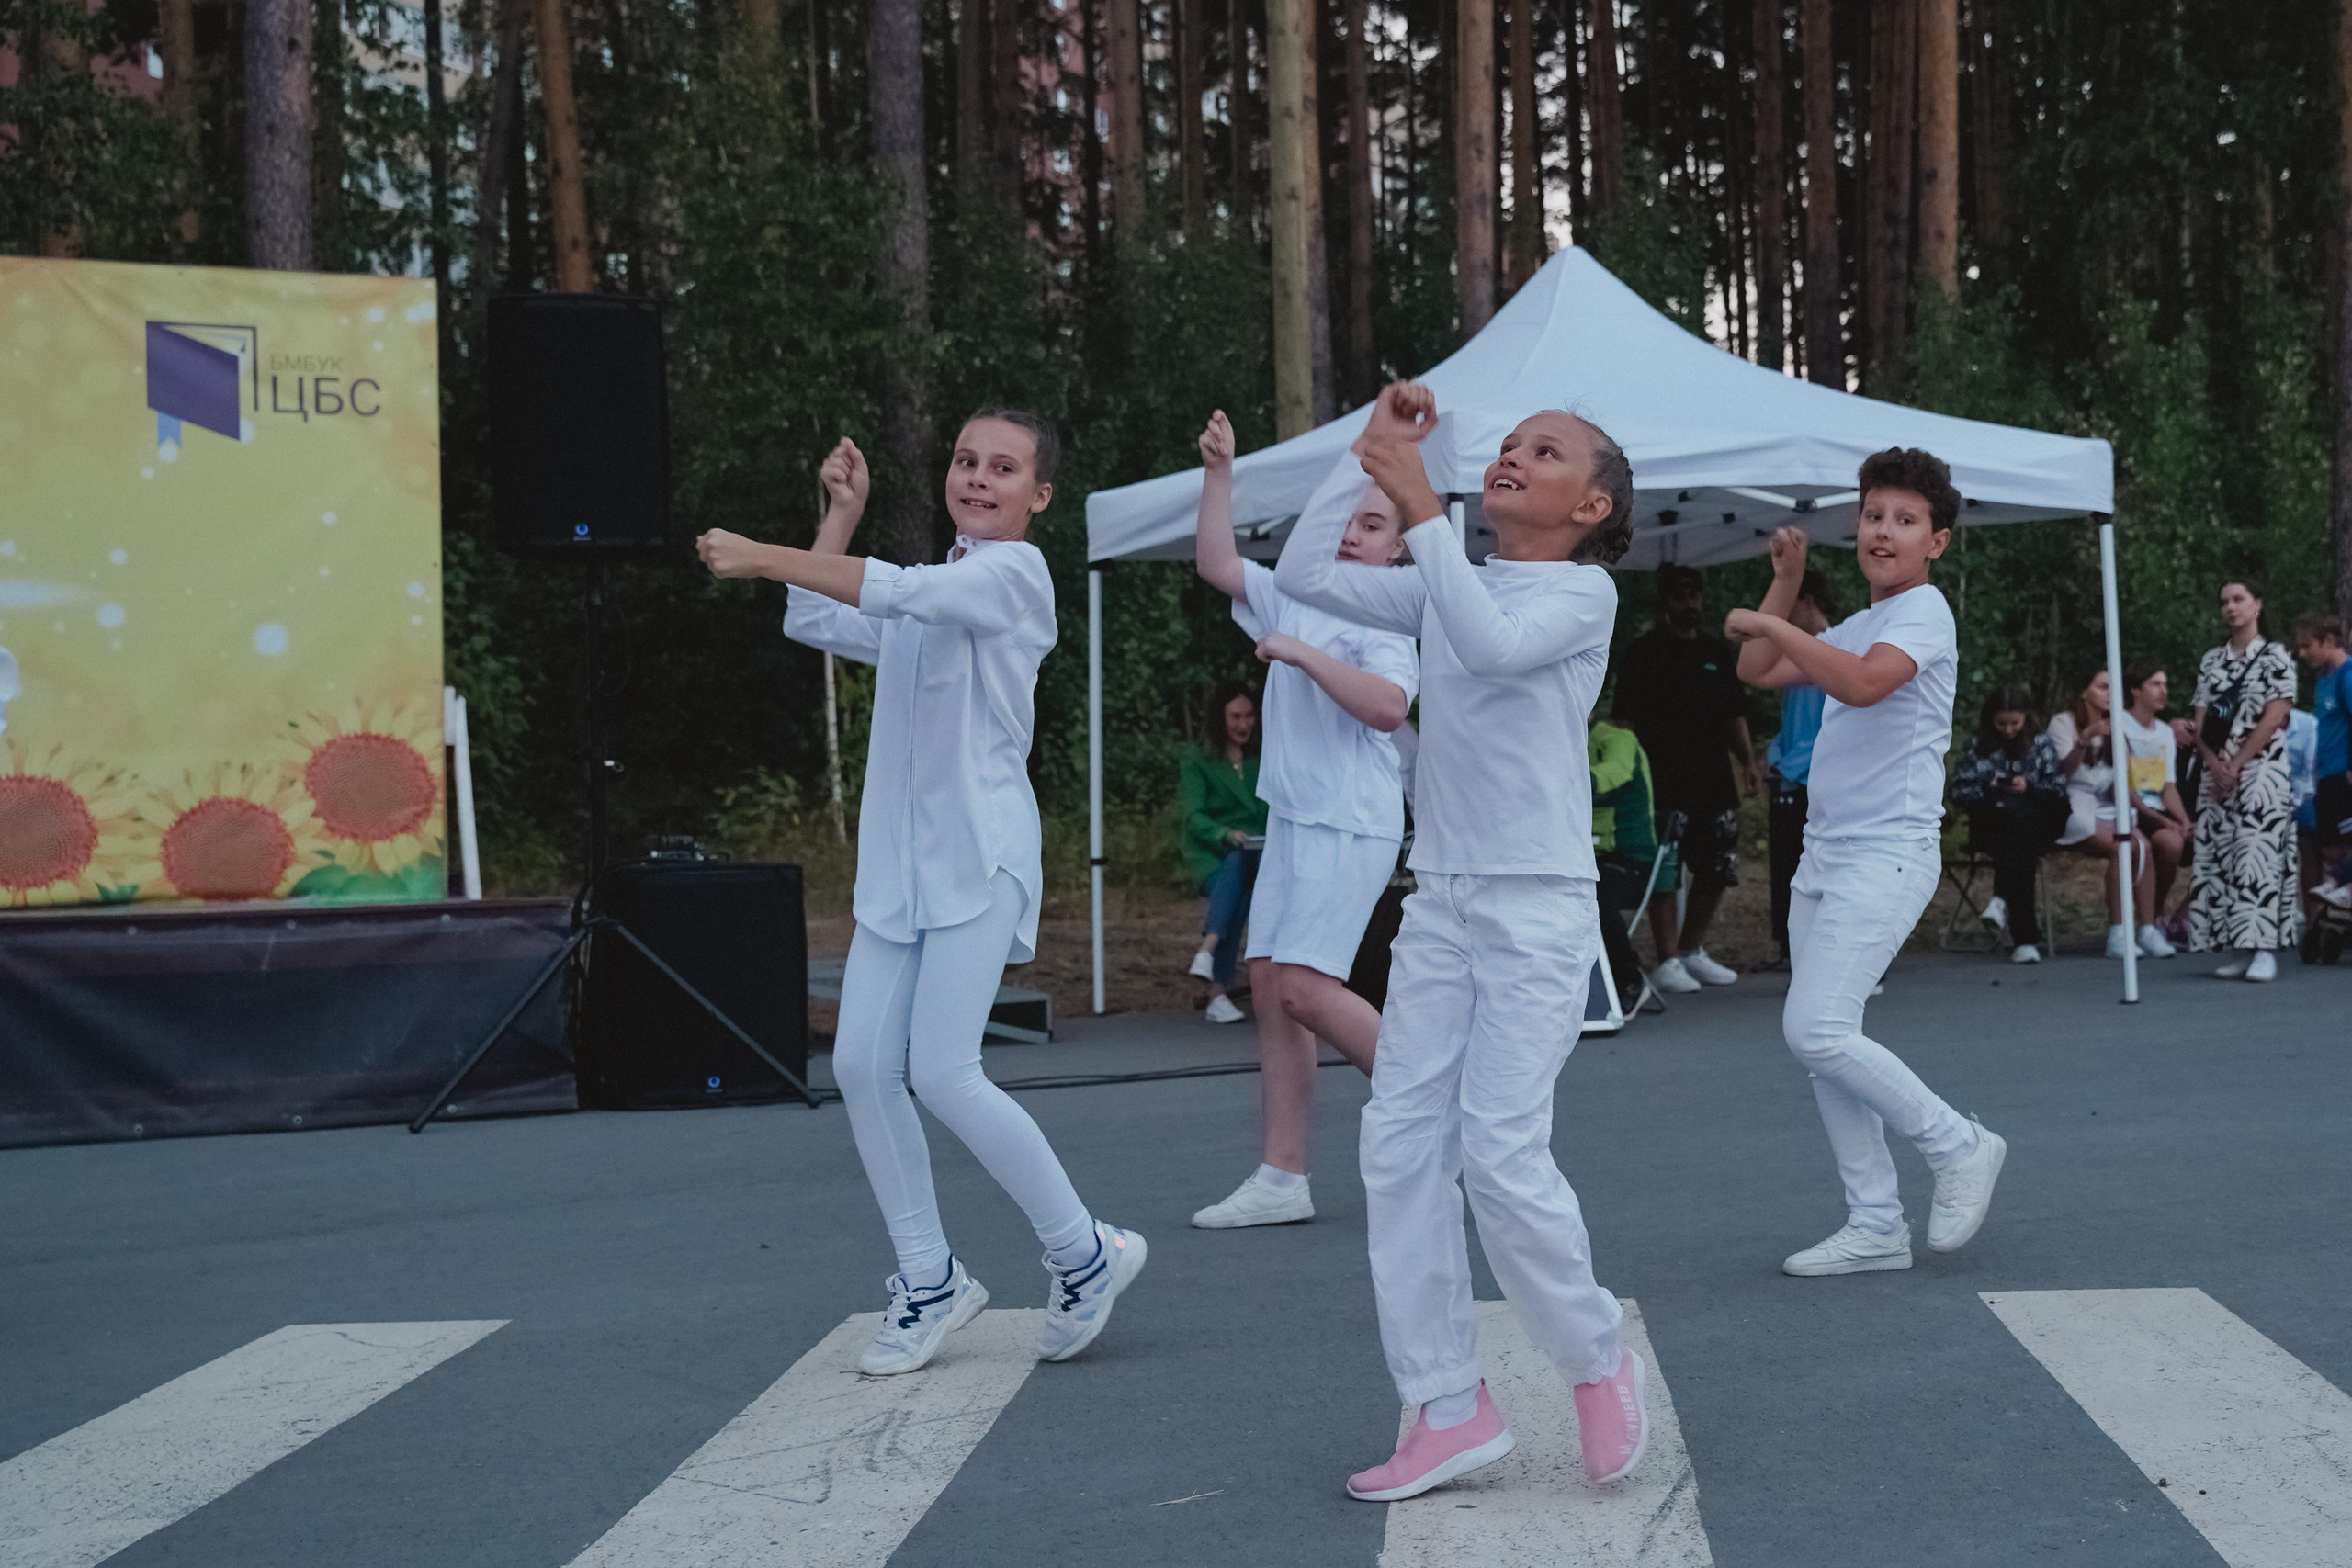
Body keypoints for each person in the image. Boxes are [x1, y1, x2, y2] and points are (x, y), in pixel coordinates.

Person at [695, 417, 1146, 1377]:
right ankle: (929, 1279)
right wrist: (839, 515)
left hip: (980, 858)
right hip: (899, 875)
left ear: (1040, 496)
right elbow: (815, 617)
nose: (978, 479)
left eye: (1004, 468)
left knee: (943, 1071)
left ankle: (1082, 1252)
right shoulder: (933, 582)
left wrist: (759, 552)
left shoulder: (1012, 576)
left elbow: (891, 590)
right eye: (966, 462)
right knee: (861, 1066)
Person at [1279, 382, 1650, 1499]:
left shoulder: (1580, 597)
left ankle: (1593, 1360)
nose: (1510, 456)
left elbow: (1488, 651)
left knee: (1497, 1151)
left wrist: (1420, 510)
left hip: (1537, 906)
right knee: (1397, 1148)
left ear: (1590, 506)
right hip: (1439, 898)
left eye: (1546, 452)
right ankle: (1448, 1403)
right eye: (1507, 444)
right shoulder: (1452, 576)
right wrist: (1371, 457)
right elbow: (1300, 580)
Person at [1726, 448, 2007, 1280]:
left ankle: (1959, 1143)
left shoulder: (1923, 613)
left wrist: (1777, 624)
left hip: (1888, 855)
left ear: (1937, 542)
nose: (1884, 530)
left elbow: (1856, 685)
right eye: (1874, 515)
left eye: (1905, 519)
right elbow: (1757, 670)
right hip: (1825, 859)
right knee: (1825, 1041)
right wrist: (1786, 583)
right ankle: (1876, 1221)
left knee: (1814, 1027)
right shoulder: (1857, 623)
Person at [1187, 408, 1419, 1227]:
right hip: (1295, 817)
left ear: (1398, 546)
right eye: (1347, 519)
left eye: (1374, 522)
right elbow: (1216, 560)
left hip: (1351, 819)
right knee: (1273, 986)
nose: (1354, 534)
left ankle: (1448, 1125)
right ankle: (1282, 1176)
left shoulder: (1387, 610)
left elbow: (1391, 707)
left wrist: (1306, 656)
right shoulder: (1294, 590)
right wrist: (1222, 472)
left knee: (1311, 989)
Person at [1611, 563, 1757, 993]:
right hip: (1661, 782)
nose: (1689, 605)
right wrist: (1628, 780)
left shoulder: (1716, 652)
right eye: (1680, 597)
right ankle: (1668, 958)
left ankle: (1692, 949)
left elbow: (1735, 714)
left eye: (1694, 597)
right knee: (1665, 870)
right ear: (1664, 603)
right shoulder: (1643, 654)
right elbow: (1623, 724)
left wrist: (1747, 762)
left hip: (1714, 779)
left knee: (1717, 868)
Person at [2188, 580, 2300, 981]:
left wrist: (2236, 763)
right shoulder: (2211, 660)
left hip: (2261, 771)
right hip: (2216, 771)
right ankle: (2238, 946)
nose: (2231, 608)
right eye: (2225, 602)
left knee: (2259, 853)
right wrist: (2214, 763)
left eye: (2238, 600)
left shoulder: (2276, 657)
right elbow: (2201, 719)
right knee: (2224, 855)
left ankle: (2265, 947)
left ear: (2257, 605)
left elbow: (2275, 715)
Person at [2046, 671, 2172, 960]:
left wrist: (2156, 818)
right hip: (2075, 804)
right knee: (2123, 848)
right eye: (2103, 687)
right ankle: (2118, 932)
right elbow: (2064, 770)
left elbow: (2122, 781)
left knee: (2145, 848)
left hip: (2108, 803)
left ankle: (2148, 929)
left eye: (2113, 688)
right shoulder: (2063, 723)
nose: (2109, 694)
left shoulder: (2119, 724)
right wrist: (2087, 738)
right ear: (2084, 692)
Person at [1949, 688, 2066, 964]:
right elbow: (1958, 790)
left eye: (2015, 723)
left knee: (2019, 829)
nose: (2009, 730)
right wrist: (1989, 788)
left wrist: (2028, 787)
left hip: (2036, 821)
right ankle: (2024, 939)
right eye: (2002, 723)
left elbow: (2058, 791)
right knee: (2017, 839)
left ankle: (2001, 901)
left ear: (2026, 718)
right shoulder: (1977, 746)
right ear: (1991, 720)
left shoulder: (2041, 745)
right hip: (1992, 822)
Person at [1181, 683, 1269, 1024]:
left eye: (1249, 716)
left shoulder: (1263, 757)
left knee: (1243, 871)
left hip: (1258, 853)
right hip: (1211, 853)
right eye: (1235, 716)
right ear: (1221, 719)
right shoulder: (1197, 760)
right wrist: (1225, 833)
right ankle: (1217, 987)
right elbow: (1194, 817)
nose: (1243, 724)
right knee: (1238, 874)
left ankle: (1209, 956)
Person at [1763, 572, 1838, 966]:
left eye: (1788, 601)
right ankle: (1794, 953)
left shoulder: (1835, 648)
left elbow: (1835, 726)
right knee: (1789, 872)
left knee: (1820, 873)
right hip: (1789, 776)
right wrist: (1776, 755)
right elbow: (1793, 721)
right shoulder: (1795, 654)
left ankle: (1833, 959)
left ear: (1806, 600)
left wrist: (1794, 762)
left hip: (1818, 783)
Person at [1591, 714, 1662, 1012]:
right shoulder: (1552, 739)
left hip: (1630, 860)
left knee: (1594, 897)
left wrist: (1561, 779)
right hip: (1590, 860)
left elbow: (1615, 772)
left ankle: (1630, 980)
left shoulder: (1619, 738)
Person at [2118, 662, 2195, 919]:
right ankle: (2142, 917)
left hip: (2155, 807)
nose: (2163, 691)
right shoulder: (2120, 724)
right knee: (2166, 842)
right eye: (2155, 684)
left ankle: (2155, 914)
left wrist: (2183, 820)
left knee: (2176, 843)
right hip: (2128, 807)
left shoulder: (2163, 732)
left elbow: (2168, 787)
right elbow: (2123, 787)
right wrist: (2164, 821)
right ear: (2136, 691)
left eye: (2165, 685)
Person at [2293, 614, 2352, 907]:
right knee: (2329, 845)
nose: (2302, 654)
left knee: (2347, 840)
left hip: (2344, 773)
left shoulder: (2348, 675)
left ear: (2328, 641)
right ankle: (2336, 892)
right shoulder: (2322, 679)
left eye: (2307, 646)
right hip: (2326, 775)